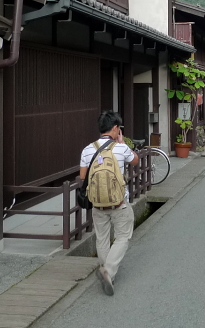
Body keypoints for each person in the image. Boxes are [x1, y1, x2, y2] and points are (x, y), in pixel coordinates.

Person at [79, 111, 139, 295]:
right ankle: (108, 271)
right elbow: (135, 161)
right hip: (119, 202)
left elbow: (83, 176)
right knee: (123, 237)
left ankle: (108, 275)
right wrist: (122, 143)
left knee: (102, 239)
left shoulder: (87, 149)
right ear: (115, 128)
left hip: (98, 203)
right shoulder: (121, 148)